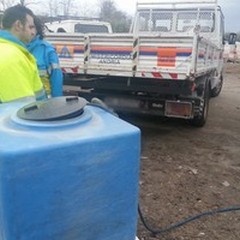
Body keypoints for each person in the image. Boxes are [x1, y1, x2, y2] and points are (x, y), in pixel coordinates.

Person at [0, 5, 46, 103]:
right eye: (30, 27)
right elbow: (22, 108)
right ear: (18, 25)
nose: (33, 33)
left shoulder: (10, 51)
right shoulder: (12, 57)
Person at [27, 17, 63, 97]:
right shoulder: (14, 48)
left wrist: (57, 102)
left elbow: (56, 78)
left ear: (37, 29)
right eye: (27, 27)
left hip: (43, 103)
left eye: (32, 27)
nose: (29, 31)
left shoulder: (47, 50)